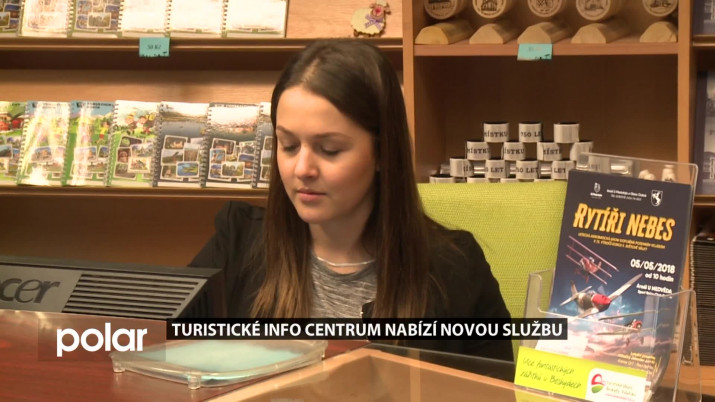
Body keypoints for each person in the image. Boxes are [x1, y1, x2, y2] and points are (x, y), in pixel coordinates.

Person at [189, 39, 513, 361]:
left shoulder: (455, 270)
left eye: (329, 150)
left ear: (382, 152)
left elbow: (496, 384)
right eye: (288, 145)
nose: (302, 169)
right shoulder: (236, 243)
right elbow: (167, 351)